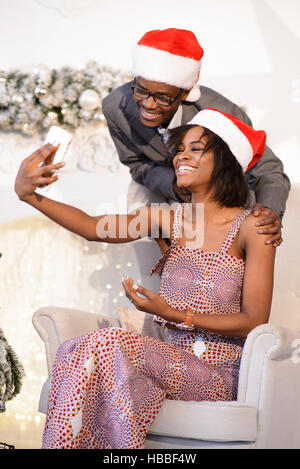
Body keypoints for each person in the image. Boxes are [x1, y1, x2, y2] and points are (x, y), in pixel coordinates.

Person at [14, 108, 275, 449]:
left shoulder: (253, 226)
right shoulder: (169, 219)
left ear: (226, 157)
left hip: (216, 374)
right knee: (77, 348)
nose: (182, 154)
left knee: (106, 342)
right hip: (162, 361)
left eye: (196, 148)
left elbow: (254, 320)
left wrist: (174, 314)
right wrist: (29, 195)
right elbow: (94, 228)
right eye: (180, 149)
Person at [102, 27, 290, 248]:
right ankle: (168, 274)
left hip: (224, 198)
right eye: (141, 90)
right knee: (142, 203)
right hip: (168, 193)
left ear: (185, 93)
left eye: (163, 98)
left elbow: (268, 169)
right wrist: (171, 184)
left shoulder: (219, 112)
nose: (148, 104)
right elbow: (136, 165)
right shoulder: (116, 107)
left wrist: (268, 211)